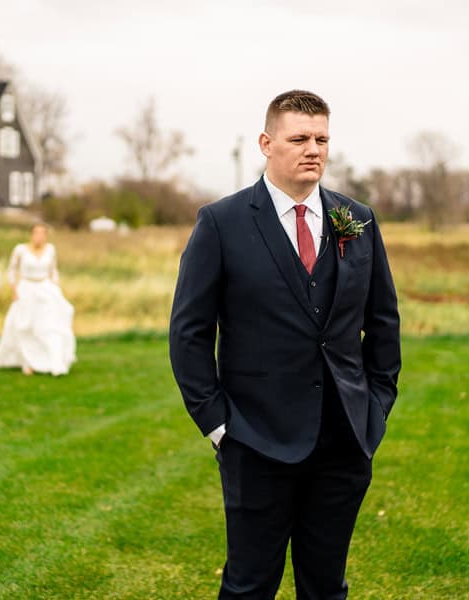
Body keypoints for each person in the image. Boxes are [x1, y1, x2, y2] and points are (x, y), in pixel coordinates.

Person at [169, 90, 401, 599]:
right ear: (266, 143)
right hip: (255, 440)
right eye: (299, 138)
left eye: (321, 139)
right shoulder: (221, 223)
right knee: (250, 587)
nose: (312, 149)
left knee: (325, 588)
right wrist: (217, 424)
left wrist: (376, 407)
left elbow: (383, 324)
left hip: (344, 439)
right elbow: (189, 333)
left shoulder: (357, 219)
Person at [0, 221, 76, 376]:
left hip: (45, 289)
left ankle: (53, 361)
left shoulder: (50, 250)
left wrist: (56, 288)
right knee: (25, 326)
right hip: (26, 289)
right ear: (31, 234)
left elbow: (53, 271)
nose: (39, 236)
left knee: (49, 326)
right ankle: (28, 361)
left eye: (43, 233)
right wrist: (14, 290)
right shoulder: (20, 250)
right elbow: (12, 271)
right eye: (37, 233)